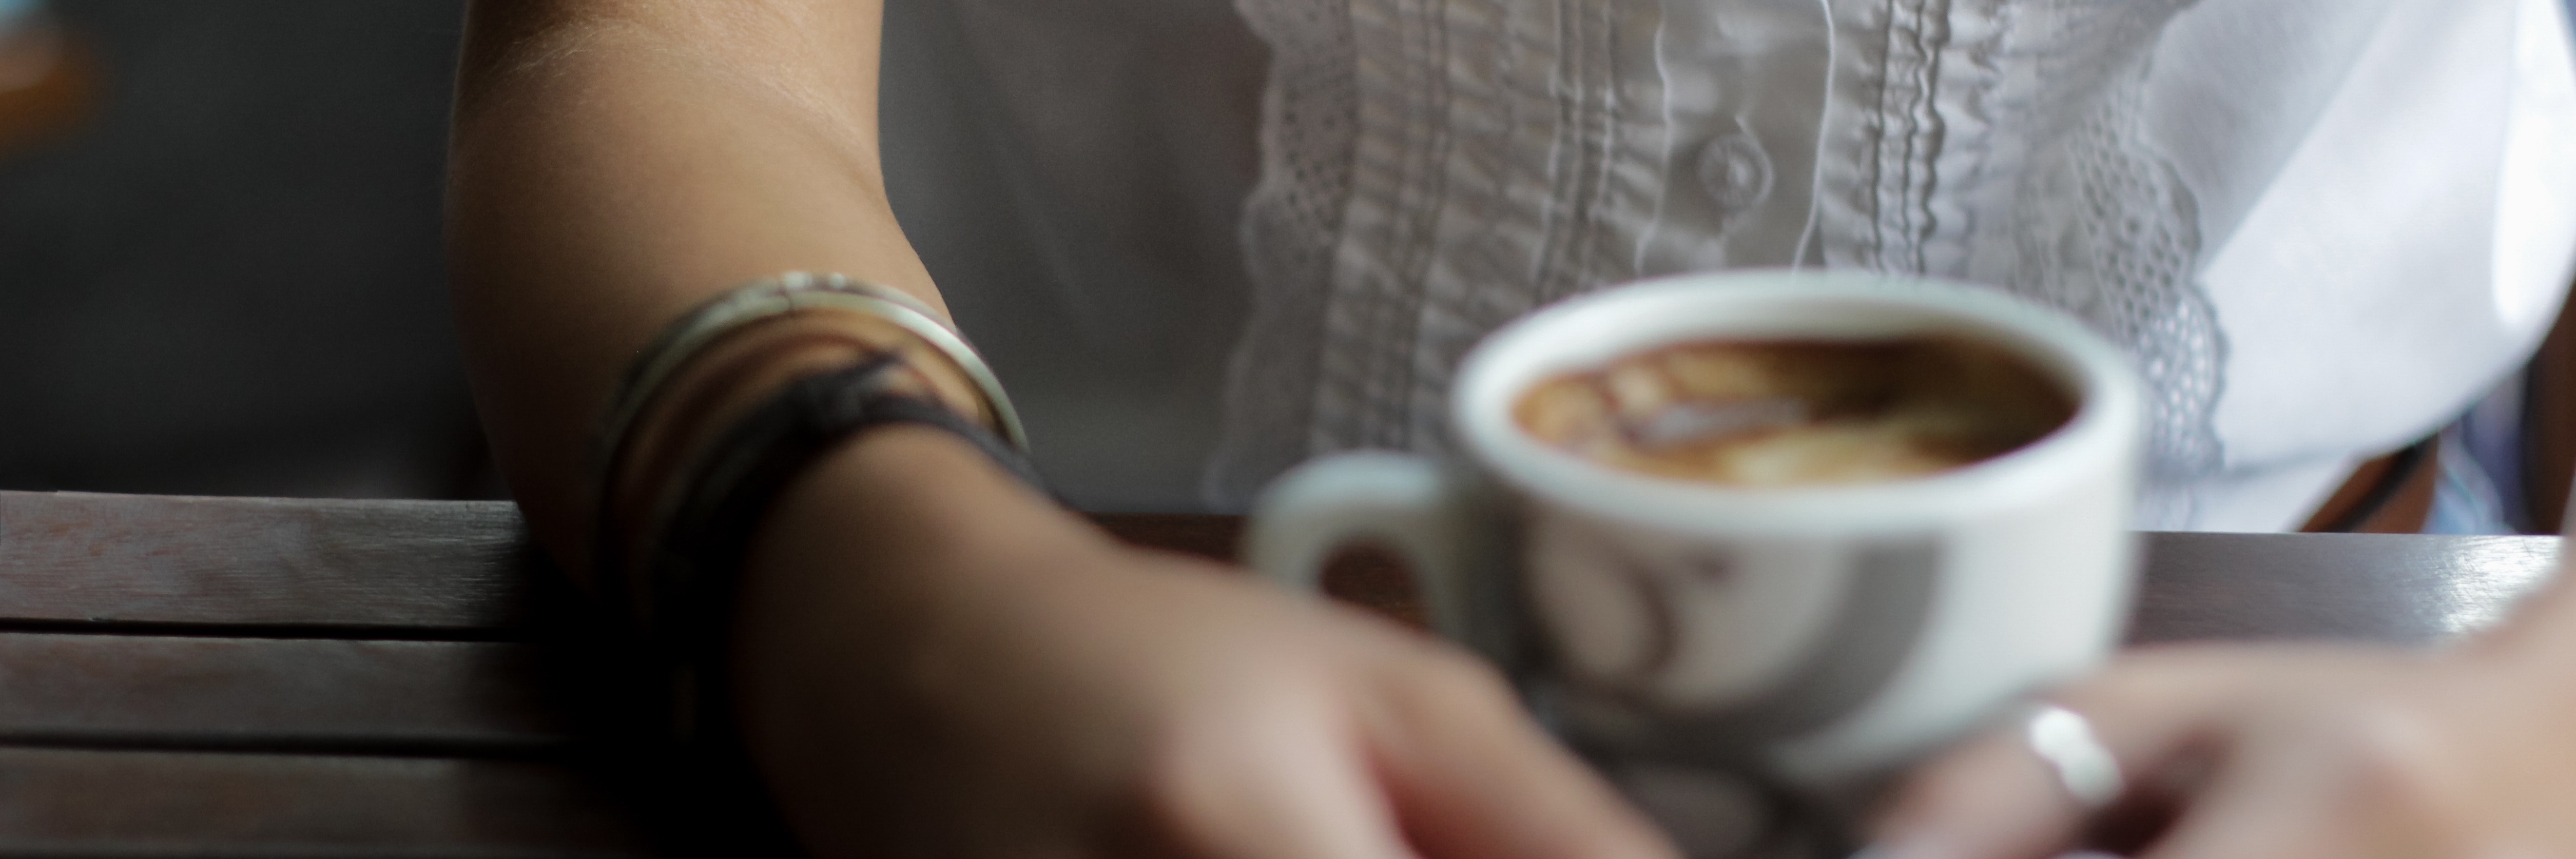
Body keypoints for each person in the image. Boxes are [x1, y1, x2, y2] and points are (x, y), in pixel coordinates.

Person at [444, 0, 2576, 856]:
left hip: (2335, 710)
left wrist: (2523, 740)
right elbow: (645, 47)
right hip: (1027, 699)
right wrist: (874, 585)